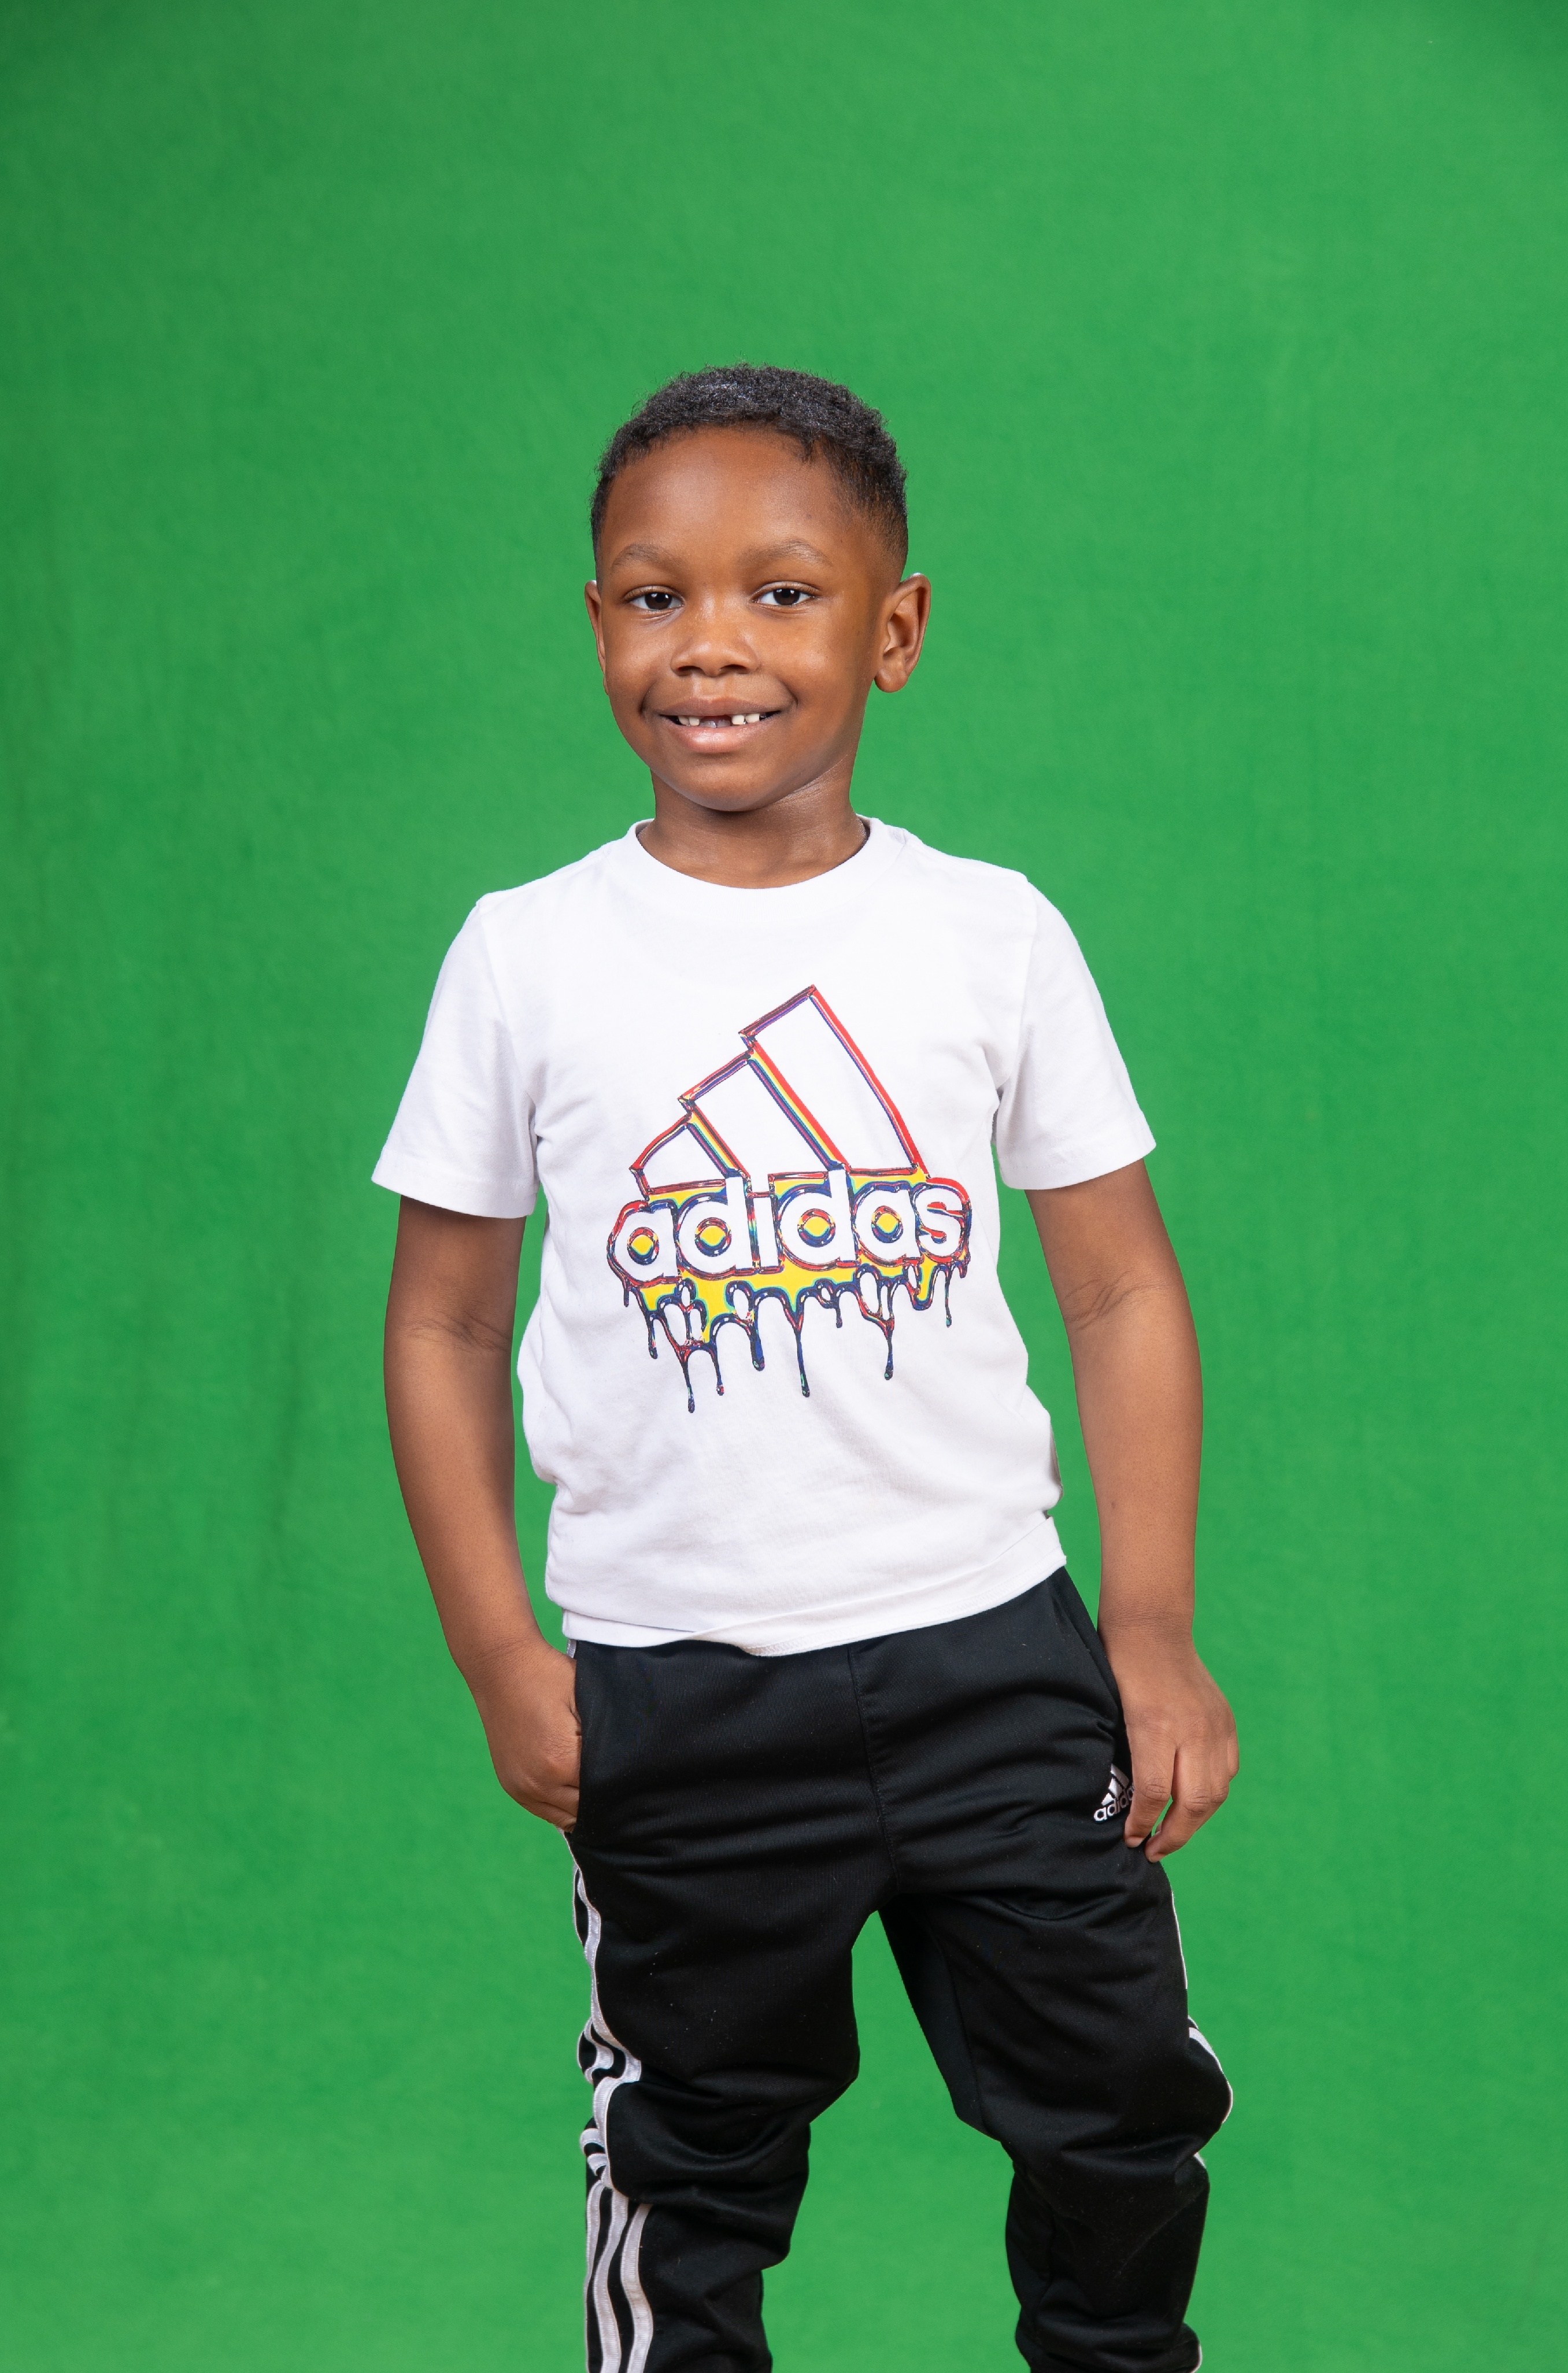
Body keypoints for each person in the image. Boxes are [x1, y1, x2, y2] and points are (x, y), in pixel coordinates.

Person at [376, 366, 1237, 2373]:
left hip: (992, 1660)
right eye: (653, 596)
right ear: (598, 623)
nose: (712, 646)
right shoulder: (527, 956)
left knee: (1120, 2103)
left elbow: (1120, 1292)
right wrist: (501, 1651)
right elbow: (442, 1324)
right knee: (692, 2160)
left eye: (781, 593)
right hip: (679, 1693)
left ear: (894, 629)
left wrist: (1152, 1620)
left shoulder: (990, 936)